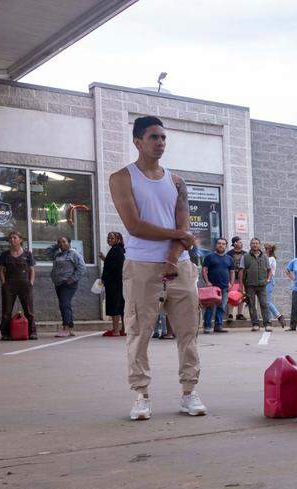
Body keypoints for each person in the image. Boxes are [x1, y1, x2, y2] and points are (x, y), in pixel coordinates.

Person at [108, 115, 206, 421]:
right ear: (138, 141)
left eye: (163, 138)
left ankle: (189, 393)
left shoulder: (176, 181)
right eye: (154, 137)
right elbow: (134, 226)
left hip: (180, 266)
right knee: (139, 331)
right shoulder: (122, 178)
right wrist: (179, 236)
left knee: (188, 331)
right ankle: (141, 395)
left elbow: (184, 225)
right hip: (140, 266)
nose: (160, 143)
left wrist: (173, 254)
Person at [0, 232, 38, 340]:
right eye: (10, 238)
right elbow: (1, 271)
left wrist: (31, 283)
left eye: (15, 238)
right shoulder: (5, 254)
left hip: (25, 285)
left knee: (29, 311)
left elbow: (32, 270)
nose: (12, 240)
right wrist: (4, 283)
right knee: (6, 311)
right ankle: (5, 334)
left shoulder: (27, 254)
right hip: (9, 285)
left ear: (20, 240)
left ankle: (32, 332)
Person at [48, 236, 85, 338]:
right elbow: (47, 253)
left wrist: (73, 279)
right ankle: (71, 328)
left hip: (68, 283)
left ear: (69, 242)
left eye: (64, 242)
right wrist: (56, 246)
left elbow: (82, 268)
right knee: (65, 305)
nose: (61, 244)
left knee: (64, 304)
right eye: (59, 242)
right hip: (58, 283)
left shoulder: (74, 254)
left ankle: (66, 328)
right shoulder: (58, 253)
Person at [200, 237, 233, 334]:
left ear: (226, 246)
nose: (221, 245)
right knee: (210, 307)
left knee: (222, 307)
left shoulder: (229, 258)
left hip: (224, 287)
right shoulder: (209, 257)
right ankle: (207, 326)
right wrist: (207, 282)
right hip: (212, 287)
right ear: (216, 245)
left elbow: (232, 271)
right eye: (219, 243)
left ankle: (218, 326)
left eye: (223, 244)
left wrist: (230, 282)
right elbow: (204, 270)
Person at [241, 237, 272, 332]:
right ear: (250, 245)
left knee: (264, 304)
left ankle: (267, 324)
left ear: (259, 245)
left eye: (256, 243)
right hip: (249, 285)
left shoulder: (265, 257)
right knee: (251, 305)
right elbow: (241, 271)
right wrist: (241, 284)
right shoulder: (245, 256)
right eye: (253, 243)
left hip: (262, 285)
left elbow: (269, 270)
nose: (255, 244)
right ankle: (255, 324)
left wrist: (268, 279)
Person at [99, 232, 126, 337]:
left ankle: (115, 331)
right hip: (117, 283)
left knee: (115, 306)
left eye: (112, 238)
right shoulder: (117, 250)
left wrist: (104, 278)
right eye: (108, 238)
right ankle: (123, 329)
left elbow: (114, 267)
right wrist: (104, 259)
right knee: (120, 306)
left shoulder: (116, 250)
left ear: (118, 239)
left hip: (115, 283)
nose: (109, 239)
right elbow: (112, 264)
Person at [264, 243, 286, 328]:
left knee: (267, 301)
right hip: (264, 280)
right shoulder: (266, 258)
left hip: (269, 280)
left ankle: (279, 316)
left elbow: (266, 268)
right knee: (266, 302)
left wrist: (268, 279)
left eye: (265, 249)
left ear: (269, 250)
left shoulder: (271, 258)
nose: (264, 250)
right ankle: (269, 320)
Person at [226, 236, 246, 322]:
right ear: (235, 243)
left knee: (242, 296)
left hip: (243, 278)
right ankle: (230, 314)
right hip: (231, 278)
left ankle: (240, 314)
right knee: (231, 295)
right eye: (240, 242)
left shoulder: (245, 254)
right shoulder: (228, 254)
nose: (241, 243)